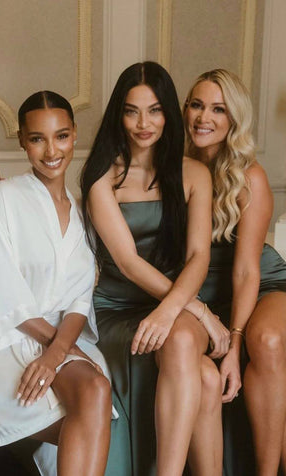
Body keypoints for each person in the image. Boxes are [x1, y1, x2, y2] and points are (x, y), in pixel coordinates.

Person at [0, 91, 113, 476]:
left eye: (61, 136)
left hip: (59, 342)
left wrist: (56, 354)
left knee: (98, 389)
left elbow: (78, 300)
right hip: (4, 342)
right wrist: (58, 352)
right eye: (37, 138)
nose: (51, 150)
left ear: (74, 135)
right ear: (22, 140)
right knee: (93, 398)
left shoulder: (81, 212)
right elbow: (2, 291)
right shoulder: (5, 197)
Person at [81, 62, 230, 476]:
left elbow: (199, 256)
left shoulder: (194, 173)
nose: (143, 123)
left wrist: (172, 310)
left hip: (174, 300)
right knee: (204, 376)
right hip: (118, 309)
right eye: (132, 111)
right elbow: (128, 262)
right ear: (119, 114)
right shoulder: (101, 177)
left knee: (186, 346)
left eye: (155, 110)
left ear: (169, 113)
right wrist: (197, 310)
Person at [184, 69, 286, 476]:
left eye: (218, 109)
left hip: (260, 281)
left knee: (269, 339)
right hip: (205, 289)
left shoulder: (250, 177)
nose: (203, 117)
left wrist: (236, 344)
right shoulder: (174, 166)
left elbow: (246, 271)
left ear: (233, 120)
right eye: (196, 104)